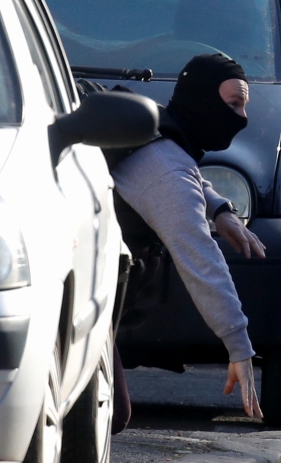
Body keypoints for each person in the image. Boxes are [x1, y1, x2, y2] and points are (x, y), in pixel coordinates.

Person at [112, 54, 266, 419]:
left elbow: (176, 173)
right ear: (202, 99)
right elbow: (202, 262)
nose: (242, 118)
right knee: (111, 414)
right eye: (233, 104)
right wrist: (239, 347)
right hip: (79, 296)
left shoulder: (159, 136)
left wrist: (219, 209)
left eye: (244, 105)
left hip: (89, 293)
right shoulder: (168, 172)